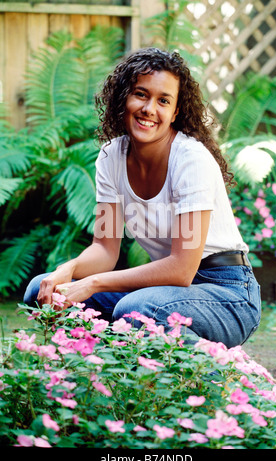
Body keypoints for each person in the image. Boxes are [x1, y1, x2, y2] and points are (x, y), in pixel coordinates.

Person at [24, 47, 261, 347]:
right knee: (41, 290)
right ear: (123, 96)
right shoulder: (111, 158)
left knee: (137, 310)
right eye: (141, 94)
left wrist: (92, 283)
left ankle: (213, 378)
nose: (150, 108)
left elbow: (181, 269)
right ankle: (102, 374)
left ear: (175, 112)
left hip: (228, 294)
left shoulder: (189, 160)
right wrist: (67, 271)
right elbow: (105, 250)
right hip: (165, 290)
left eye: (163, 101)